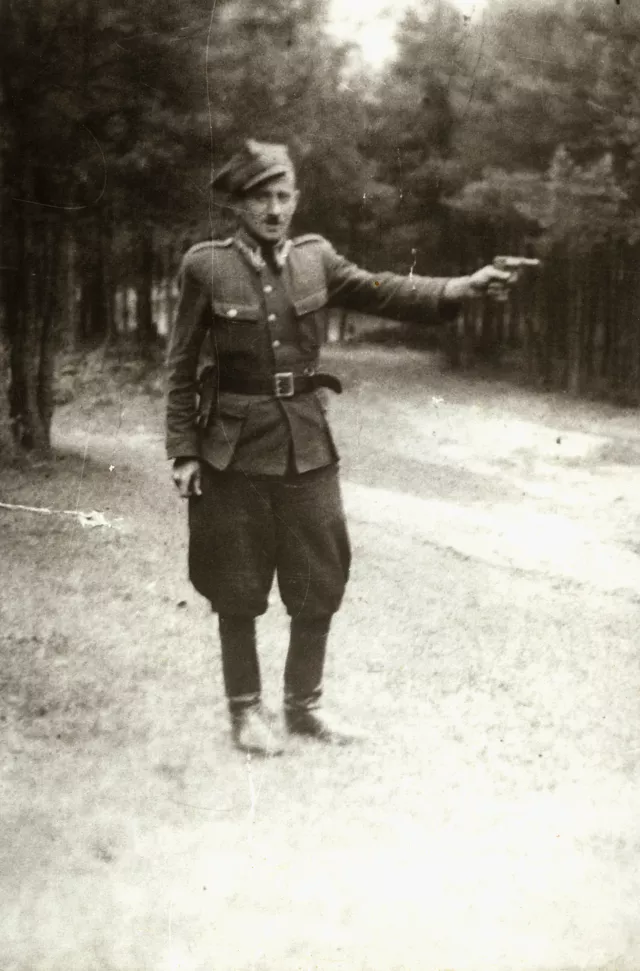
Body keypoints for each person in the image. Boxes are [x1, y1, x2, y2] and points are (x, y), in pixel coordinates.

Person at [165, 139, 513, 757]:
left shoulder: (315, 258)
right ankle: (246, 711)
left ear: (296, 200)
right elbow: (181, 363)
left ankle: (304, 708)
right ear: (239, 205)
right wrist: (184, 450)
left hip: (307, 442)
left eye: (283, 196)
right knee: (236, 580)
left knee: (320, 574)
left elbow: (384, 290)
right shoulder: (206, 267)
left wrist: (463, 286)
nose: (274, 210)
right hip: (232, 450)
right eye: (261, 198)